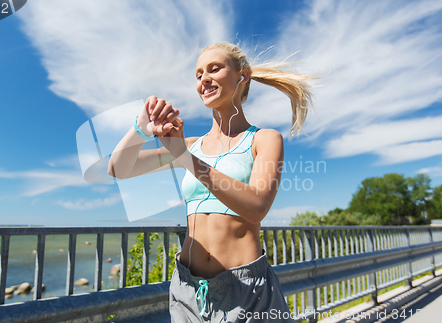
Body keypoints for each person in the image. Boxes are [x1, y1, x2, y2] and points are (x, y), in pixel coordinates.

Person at [108, 42, 314, 322]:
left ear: (243, 75)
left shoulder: (264, 139)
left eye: (214, 69)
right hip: (186, 290)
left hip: (245, 290)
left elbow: (256, 206)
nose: (203, 78)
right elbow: (118, 168)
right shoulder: (191, 145)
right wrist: (140, 129)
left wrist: (182, 155)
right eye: (198, 74)